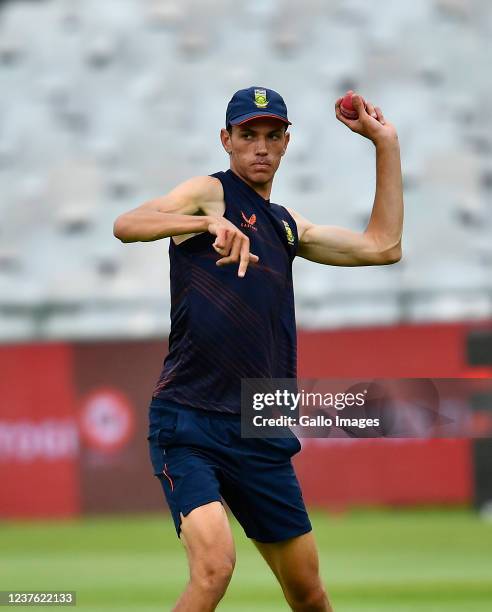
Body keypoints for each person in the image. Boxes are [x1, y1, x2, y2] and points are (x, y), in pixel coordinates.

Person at [113, 86, 403, 611]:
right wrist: (204, 221)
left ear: (287, 143)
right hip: (189, 419)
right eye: (248, 135)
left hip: (260, 422)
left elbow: (384, 247)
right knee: (214, 567)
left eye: (272, 136)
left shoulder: (287, 227)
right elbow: (127, 224)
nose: (260, 147)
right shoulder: (210, 193)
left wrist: (385, 145)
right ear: (227, 140)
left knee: (310, 594)